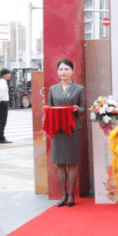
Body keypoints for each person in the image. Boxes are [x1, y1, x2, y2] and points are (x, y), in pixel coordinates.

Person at [48, 59, 86, 207]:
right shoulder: (53, 89)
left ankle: (71, 195)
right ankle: (63, 194)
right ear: (57, 72)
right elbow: (50, 108)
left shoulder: (79, 89)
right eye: (61, 69)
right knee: (60, 163)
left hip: (72, 129)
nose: (63, 72)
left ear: (72, 71)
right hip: (58, 130)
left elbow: (83, 108)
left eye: (66, 69)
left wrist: (78, 109)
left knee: (72, 163)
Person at [0, 68, 12, 144]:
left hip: (0, 103)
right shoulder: (3, 84)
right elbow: (1, 94)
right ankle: (1, 138)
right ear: (4, 75)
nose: (9, 76)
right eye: (8, 74)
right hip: (3, 103)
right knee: (2, 121)